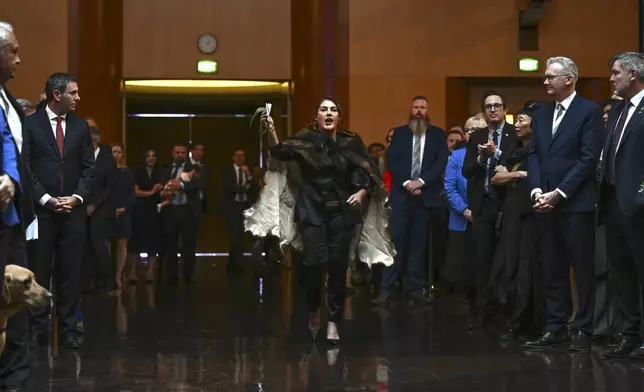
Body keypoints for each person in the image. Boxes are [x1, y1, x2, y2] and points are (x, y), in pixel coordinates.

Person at [245, 97, 394, 343]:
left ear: (339, 117)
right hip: (312, 211)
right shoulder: (306, 140)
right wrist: (271, 129)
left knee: (337, 267)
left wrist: (362, 192)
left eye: (333, 110)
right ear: (317, 116)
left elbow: (368, 171)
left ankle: (333, 322)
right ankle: (314, 308)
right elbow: (279, 151)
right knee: (313, 264)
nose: (328, 113)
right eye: (323, 109)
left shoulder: (351, 142)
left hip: (341, 212)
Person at [524, 56, 604, 351]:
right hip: (543, 202)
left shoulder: (589, 111)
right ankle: (555, 327)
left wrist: (559, 193)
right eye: (545, 77)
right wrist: (535, 191)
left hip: (575, 204)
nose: (545, 81)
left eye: (550, 77)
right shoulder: (543, 113)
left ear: (569, 79)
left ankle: (583, 327)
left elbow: (588, 158)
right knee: (553, 267)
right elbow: (533, 155)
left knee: (582, 268)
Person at [24, 72, 94, 349]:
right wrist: (46, 199)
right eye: (73, 93)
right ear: (57, 95)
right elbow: (25, 167)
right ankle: (38, 328)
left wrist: (76, 197)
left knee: (70, 272)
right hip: (42, 212)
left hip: (73, 212)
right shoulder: (31, 125)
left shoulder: (80, 127)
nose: (78, 98)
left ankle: (68, 328)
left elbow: (89, 167)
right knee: (39, 270)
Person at [372, 96, 448, 306]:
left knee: (419, 244)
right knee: (395, 243)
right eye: (415, 107)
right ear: (410, 109)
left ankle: (415, 288)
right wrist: (407, 183)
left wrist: (421, 182)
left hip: (425, 198)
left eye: (423, 107)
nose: (419, 111)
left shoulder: (438, 135)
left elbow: (440, 162)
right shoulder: (400, 133)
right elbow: (392, 161)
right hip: (402, 197)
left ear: (427, 110)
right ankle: (387, 289)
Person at [0, 20, 37, 392]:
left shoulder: (8, 99)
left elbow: (12, 149)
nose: (19, 59)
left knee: (14, 306)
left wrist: (12, 179)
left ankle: (15, 379)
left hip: (11, 220)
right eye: (13, 51)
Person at [599, 52, 644, 359]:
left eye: (616, 72)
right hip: (612, 202)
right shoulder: (617, 109)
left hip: (639, 205)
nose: (612, 77)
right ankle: (630, 336)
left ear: (634, 74)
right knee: (622, 274)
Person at [489, 101, 544, 341]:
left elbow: (533, 176)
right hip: (511, 214)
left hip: (531, 217)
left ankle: (526, 322)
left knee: (527, 270)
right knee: (508, 269)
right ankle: (511, 320)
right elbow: (495, 179)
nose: (517, 124)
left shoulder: (540, 151)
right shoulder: (515, 150)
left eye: (522, 120)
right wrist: (518, 174)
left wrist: (510, 175)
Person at [462, 91, 517, 328]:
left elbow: (516, 161)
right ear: (483, 111)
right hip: (482, 205)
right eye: (488, 106)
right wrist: (483, 158)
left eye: (497, 105)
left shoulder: (515, 134)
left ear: (505, 109)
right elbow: (467, 171)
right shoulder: (478, 136)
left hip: (507, 204)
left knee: (506, 260)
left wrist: (496, 153)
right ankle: (483, 311)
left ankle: (506, 312)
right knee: (481, 260)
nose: (492, 110)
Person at [443, 116, 486, 322]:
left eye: (478, 128)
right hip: (463, 220)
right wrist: (466, 210)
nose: (473, 133)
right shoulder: (456, 157)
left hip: (487, 219)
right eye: (469, 129)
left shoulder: (491, 155)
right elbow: (449, 188)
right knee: (465, 271)